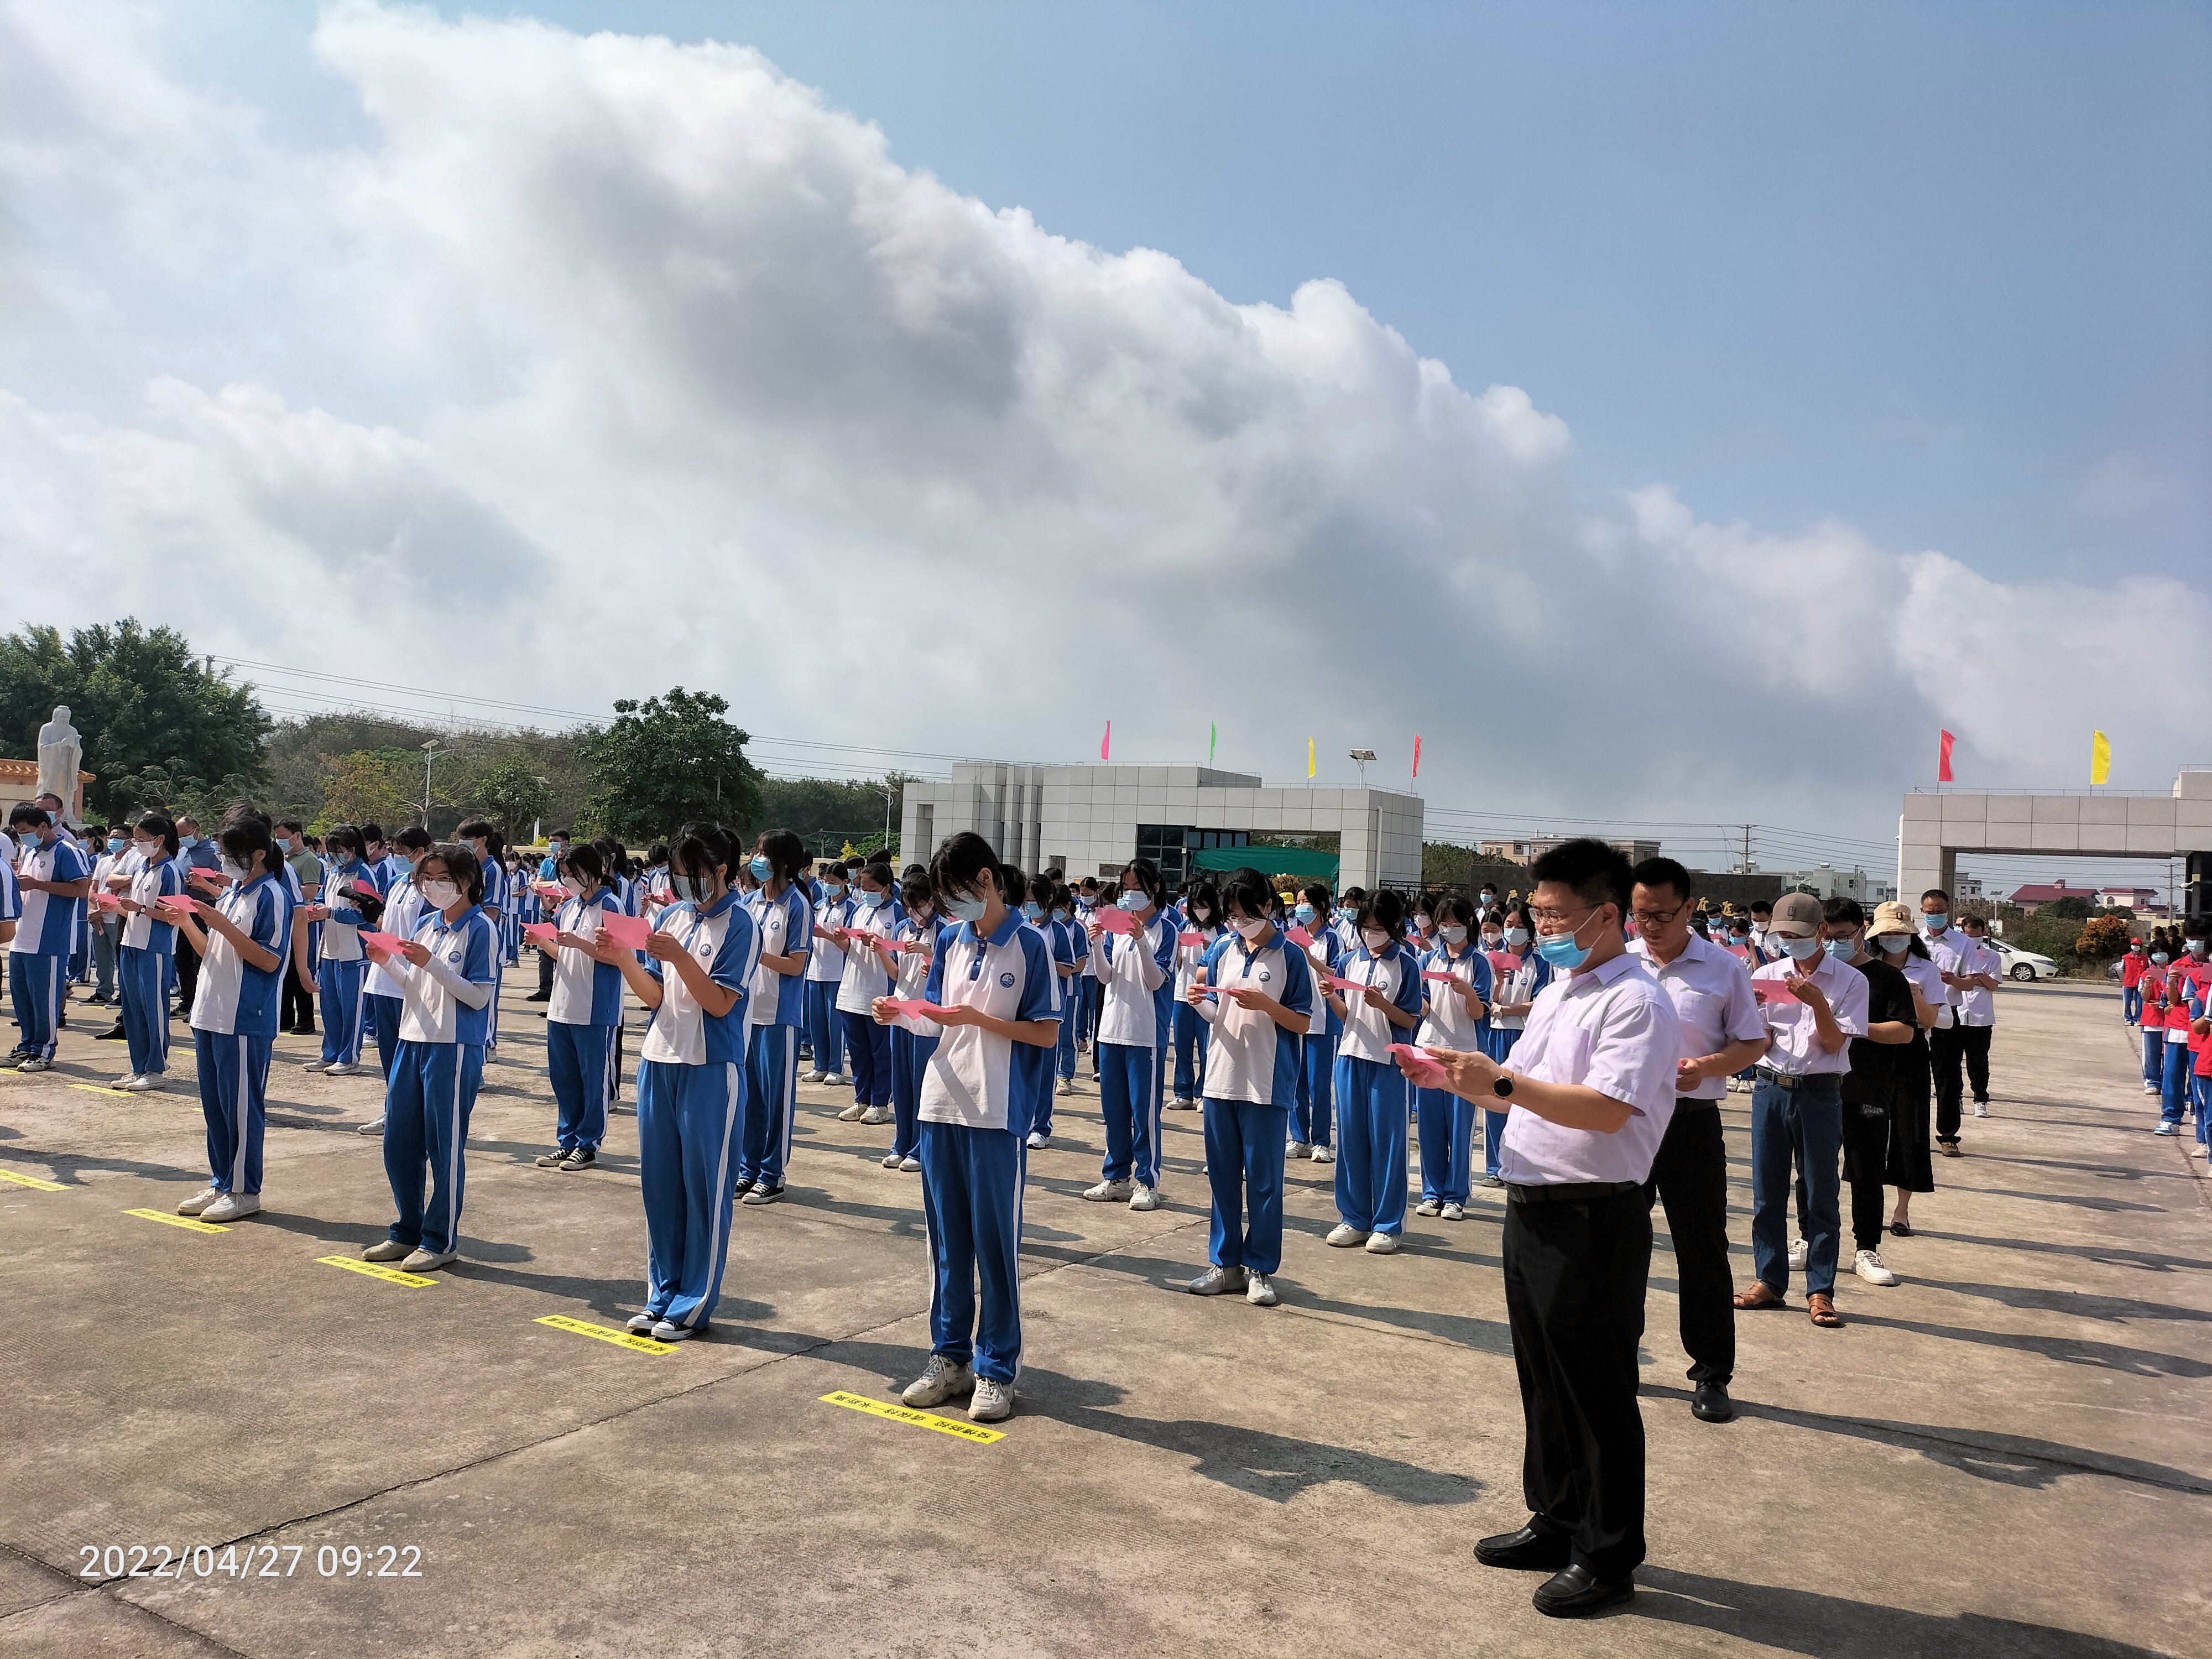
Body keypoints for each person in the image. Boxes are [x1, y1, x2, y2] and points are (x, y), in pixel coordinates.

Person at [1396, 838, 1680, 1618]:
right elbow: (1518, 1091)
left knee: (1595, 1390)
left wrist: (1500, 1082)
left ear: (1606, 915)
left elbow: (1607, 1109)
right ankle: (1556, 1518)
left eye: (1556, 915)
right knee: (1544, 1379)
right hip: (1532, 1205)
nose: (1541, 926)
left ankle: (1608, 1554)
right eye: (1537, 912)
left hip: (1593, 1214)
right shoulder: (1560, 991)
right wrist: (1451, 1079)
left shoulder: (1636, 1001)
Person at [875, 832, 1058, 1425]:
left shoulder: (1029, 944)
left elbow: (1046, 1033)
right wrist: (903, 1014)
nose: (951, 907)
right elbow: (936, 1020)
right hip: (940, 1105)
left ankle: (996, 1369)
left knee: (995, 1248)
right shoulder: (951, 940)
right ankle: (948, 1357)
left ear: (985, 880)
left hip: (995, 1111)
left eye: (956, 893)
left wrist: (980, 1019)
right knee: (947, 1245)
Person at [591, 823, 760, 1339]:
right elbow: (656, 996)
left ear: (721, 870)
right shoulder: (670, 916)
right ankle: (661, 1295)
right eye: (678, 873)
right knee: (661, 1186)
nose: (684, 882)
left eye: (693, 873)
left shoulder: (741, 925)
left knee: (705, 1190)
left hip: (711, 1067)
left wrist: (681, 957)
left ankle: (692, 1302)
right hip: (659, 1059)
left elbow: (719, 1003)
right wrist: (624, 958)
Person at [1625, 858, 1768, 1423]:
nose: (1650, 926)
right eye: (1640, 915)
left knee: (1702, 1248)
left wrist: (1708, 1065)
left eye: (1662, 915)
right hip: (1626, 1122)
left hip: (1690, 1123)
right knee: (1618, 1244)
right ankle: (1618, 1358)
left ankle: (1711, 1373)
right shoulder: (1618, 963)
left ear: (1689, 908)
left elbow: (1751, 1042)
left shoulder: (1723, 968)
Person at [1734, 891, 1869, 1329]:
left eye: (1798, 934)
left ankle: (1820, 1289)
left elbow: (1833, 1043)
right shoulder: (1768, 975)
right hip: (1771, 1089)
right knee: (1766, 1192)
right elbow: (1762, 1041)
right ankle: (1769, 1280)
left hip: (1819, 1092)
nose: (1789, 942)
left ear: (1822, 931)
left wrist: (1817, 1003)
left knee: (1821, 1192)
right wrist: (1749, 1014)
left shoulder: (1850, 981)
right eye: (1782, 935)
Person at [359, 843, 495, 1272]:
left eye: (443, 879)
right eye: (426, 880)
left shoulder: (481, 929)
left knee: (444, 1147)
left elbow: (478, 997)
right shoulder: (425, 924)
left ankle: (440, 1239)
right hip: (412, 1037)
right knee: (399, 1142)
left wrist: (433, 963)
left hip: (453, 1046)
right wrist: (388, 963)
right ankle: (407, 1229)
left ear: (466, 881)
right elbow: (415, 985)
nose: (433, 887)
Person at [1185, 865, 1313, 1307]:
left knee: (1264, 1182)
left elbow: (1302, 1022)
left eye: (1246, 914)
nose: (1238, 922)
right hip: (1222, 1078)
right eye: (1232, 915)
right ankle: (1225, 1265)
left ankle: (1260, 1267)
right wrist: (1200, 1003)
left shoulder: (1290, 956)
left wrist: (1266, 1005)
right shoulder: (1223, 947)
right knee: (1222, 1177)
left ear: (1268, 906)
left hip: (1266, 1081)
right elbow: (1218, 1013)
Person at [169, 808, 294, 1222]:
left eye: (231, 855)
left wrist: (222, 924)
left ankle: (244, 1190)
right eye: (222, 854)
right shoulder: (234, 893)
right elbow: (212, 952)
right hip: (211, 1011)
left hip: (244, 1015)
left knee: (241, 1108)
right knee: (216, 1107)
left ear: (258, 854)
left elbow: (269, 960)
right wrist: (189, 923)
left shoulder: (272, 895)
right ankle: (222, 1181)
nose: (224, 862)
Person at [1820, 899, 1918, 1290]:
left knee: (1866, 1172)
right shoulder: (1814, 976)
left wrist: (1855, 1028)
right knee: (1813, 1171)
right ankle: (1810, 1237)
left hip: (1868, 1087)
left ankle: (1866, 1247)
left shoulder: (1886, 978)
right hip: (1819, 1087)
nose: (1836, 944)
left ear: (1862, 931)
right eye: (1829, 937)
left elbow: (1905, 1031)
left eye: (1845, 936)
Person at [1320, 888, 1425, 1253]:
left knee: (1388, 1144)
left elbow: (1409, 1019)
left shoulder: (1406, 964)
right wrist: (1331, 997)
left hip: (1389, 1063)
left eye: (1378, 927)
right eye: (1365, 927)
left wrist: (1382, 1004)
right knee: (1351, 1141)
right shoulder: (1350, 960)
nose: (1371, 933)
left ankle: (1388, 1224)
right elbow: (1347, 1015)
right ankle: (1354, 1218)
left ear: (1394, 926)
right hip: (1350, 1056)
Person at [1084, 858, 1176, 1211]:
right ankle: (1117, 1177)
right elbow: (1106, 977)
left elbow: (1155, 981)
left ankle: (1147, 1181)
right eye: (1126, 888)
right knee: (1114, 1110)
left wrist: (1141, 942)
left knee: (1144, 1112)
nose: (1130, 894)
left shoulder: (1166, 929)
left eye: (1137, 888)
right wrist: (1096, 945)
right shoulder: (1117, 926)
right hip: (1112, 1030)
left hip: (1145, 1034)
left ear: (1154, 888)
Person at [539, 842, 623, 1173]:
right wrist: (542, 941)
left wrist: (579, 943)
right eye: (564, 874)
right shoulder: (569, 907)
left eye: (573, 874)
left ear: (593, 871)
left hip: (595, 1008)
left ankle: (588, 1144)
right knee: (565, 1079)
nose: (568, 880)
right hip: (562, 1005)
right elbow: (564, 953)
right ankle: (568, 1140)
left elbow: (619, 958)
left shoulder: (611, 906)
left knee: (593, 1079)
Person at [738, 830, 813, 1204]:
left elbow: (796, 965)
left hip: (778, 1015)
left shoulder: (797, 905)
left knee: (775, 1100)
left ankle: (772, 1174)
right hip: (746, 1013)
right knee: (748, 1097)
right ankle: (747, 1167)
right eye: (756, 852)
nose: (757, 859)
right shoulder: (749, 902)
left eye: (764, 854)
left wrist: (759, 955)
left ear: (783, 862)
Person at [1412, 895, 1493, 1220]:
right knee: (1430, 1127)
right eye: (1443, 924)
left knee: (1460, 1128)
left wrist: (1467, 991)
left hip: (1464, 1052)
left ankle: (1456, 1196)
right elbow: (1423, 1006)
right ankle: (1432, 1192)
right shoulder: (1427, 959)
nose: (1448, 929)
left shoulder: (1479, 963)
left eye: (1455, 923)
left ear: (1468, 924)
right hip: (1429, 1048)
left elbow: (1478, 1012)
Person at [1865, 902, 1940, 1231]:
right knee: (1868, 1129)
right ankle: (1869, 1208)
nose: (1893, 938)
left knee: (1909, 1130)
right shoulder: (1864, 967)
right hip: (1872, 1050)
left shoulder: (1926, 969)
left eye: (1899, 933)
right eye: (1887, 933)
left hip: (1911, 1052)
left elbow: (1931, 1020)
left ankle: (1902, 1211)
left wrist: (1915, 995)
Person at [6, 804, 92, 1072]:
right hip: (22, 936)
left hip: (49, 938)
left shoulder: (67, 852)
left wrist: (38, 885)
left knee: (45, 1000)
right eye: (19, 833)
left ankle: (43, 1050)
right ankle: (26, 1046)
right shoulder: (28, 851)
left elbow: (81, 889)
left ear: (43, 827)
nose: (23, 837)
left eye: (26, 831)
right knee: (22, 998)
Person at [108, 812, 184, 1091]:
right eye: (136, 839)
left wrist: (139, 908)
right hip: (131, 943)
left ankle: (156, 1068)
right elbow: (135, 909)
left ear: (159, 839)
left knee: (154, 1009)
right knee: (133, 1009)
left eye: (142, 839)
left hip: (155, 948)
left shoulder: (170, 872)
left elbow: (174, 916)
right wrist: (115, 907)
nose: (137, 844)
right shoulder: (141, 868)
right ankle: (138, 1066)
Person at [1482, 902, 1551, 1184]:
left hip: (1523, 1034)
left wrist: (1507, 1010)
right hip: (1494, 1032)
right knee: (1493, 1096)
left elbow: (1540, 1002)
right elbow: (1484, 998)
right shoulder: (1490, 960)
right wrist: (1497, 986)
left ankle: (1519, 1162)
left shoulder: (1540, 963)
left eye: (1520, 926)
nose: (1513, 931)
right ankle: (1494, 1166)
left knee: (1520, 1098)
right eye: (1509, 926)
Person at [299, 825, 374, 1077]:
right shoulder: (333, 873)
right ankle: (330, 1053)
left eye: (338, 851)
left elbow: (367, 914)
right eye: (330, 851)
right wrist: (316, 910)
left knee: (352, 1010)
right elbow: (324, 901)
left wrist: (331, 913)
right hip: (329, 950)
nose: (333, 856)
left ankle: (349, 1057)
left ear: (352, 850)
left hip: (353, 953)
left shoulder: (363, 875)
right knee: (330, 1008)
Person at [834, 859, 901, 1128]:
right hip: (852, 989)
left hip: (879, 990)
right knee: (858, 1052)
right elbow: (848, 948)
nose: (866, 893)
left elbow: (900, 952)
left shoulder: (898, 913)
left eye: (872, 889)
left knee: (881, 1052)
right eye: (863, 888)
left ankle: (880, 1103)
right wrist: (842, 939)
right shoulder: (859, 909)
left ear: (886, 887)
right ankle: (861, 1099)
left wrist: (879, 944)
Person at [883, 868, 942, 1169]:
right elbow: (896, 973)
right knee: (902, 1082)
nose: (914, 912)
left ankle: (920, 1148)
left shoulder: (944, 930)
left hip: (927, 1016)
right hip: (901, 1011)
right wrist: (881, 952)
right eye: (908, 906)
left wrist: (928, 954)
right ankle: (901, 1142)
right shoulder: (901, 929)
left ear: (932, 901)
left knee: (922, 1083)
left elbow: (946, 973)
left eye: (918, 906)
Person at [1918, 890, 1976, 1155]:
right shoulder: (1913, 941)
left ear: (1948, 911)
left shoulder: (1962, 943)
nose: (1934, 916)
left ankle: (1948, 1135)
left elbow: (1971, 982)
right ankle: (1914, 1134)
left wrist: (1954, 980)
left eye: (1939, 911)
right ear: (1922, 911)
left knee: (1947, 1078)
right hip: (1916, 1015)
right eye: (1930, 912)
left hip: (1946, 1014)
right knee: (1913, 1078)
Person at [1290, 884, 1339, 1164]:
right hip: (1297, 1016)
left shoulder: (1332, 938)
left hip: (1323, 1020)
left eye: (1305, 902)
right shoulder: (1293, 936)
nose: (1301, 907)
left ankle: (1321, 1141)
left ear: (1320, 906)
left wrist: (1311, 959)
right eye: (1298, 902)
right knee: (1297, 1082)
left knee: (1319, 1086)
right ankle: (1299, 1137)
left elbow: (1338, 974)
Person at [1170, 879, 1222, 1109]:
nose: (1199, 911)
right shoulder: (1183, 927)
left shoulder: (1221, 932)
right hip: (1182, 993)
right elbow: (1178, 962)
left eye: (1203, 906)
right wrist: (1179, 950)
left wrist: (1211, 951)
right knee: (1182, 1046)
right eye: (1195, 906)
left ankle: (1203, 1092)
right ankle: (1183, 1093)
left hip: (1207, 997)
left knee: (1205, 1047)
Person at [803, 860, 853, 1085]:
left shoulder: (850, 908)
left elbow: (849, 944)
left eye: (833, 882)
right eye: (826, 881)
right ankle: (820, 1065)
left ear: (845, 882)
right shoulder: (820, 905)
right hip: (816, 971)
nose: (828, 885)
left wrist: (825, 935)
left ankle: (836, 1068)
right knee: (817, 1022)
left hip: (837, 973)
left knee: (835, 1023)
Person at [275, 818, 323, 1037]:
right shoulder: (285, 859)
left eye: (284, 838)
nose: (280, 841)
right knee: (286, 973)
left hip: (303, 921)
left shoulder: (309, 860)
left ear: (297, 836)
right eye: (278, 838)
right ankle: (285, 1017)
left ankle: (306, 1019)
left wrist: (284, 888)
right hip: (286, 920)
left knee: (299, 971)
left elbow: (311, 892)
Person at [1955, 915, 2001, 1118]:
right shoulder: (1956, 953)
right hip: (1957, 1013)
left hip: (1981, 1017)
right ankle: (1956, 1099)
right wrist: (1972, 979)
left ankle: (1980, 1100)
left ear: (1983, 934)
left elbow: (1993, 985)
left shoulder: (1992, 956)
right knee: (1953, 1062)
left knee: (1979, 1062)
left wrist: (1977, 974)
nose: (1972, 939)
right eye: (1968, 936)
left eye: (1976, 936)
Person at [528, 828, 573, 1001]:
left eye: (555, 840)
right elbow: (538, 884)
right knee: (543, 950)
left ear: (565, 843)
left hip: (562, 909)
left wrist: (548, 886)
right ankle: (545, 989)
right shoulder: (547, 862)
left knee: (561, 951)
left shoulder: (570, 866)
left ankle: (558, 991)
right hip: (547, 909)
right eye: (550, 840)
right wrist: (546, 888)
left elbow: (553, 884)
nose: (552, 843)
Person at [2121, 937, 2147, 1026]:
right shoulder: (2125, 958)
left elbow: (2147, 970)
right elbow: (2122, 969)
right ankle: (2128, 1018)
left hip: (2140, 984)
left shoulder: (2145, 959)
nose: (2135, 947)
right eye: (2134, 945)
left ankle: (2137, 1019)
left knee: (2139, 1002)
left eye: (2137, 945)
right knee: (2127, 1002)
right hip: (2128, 983)